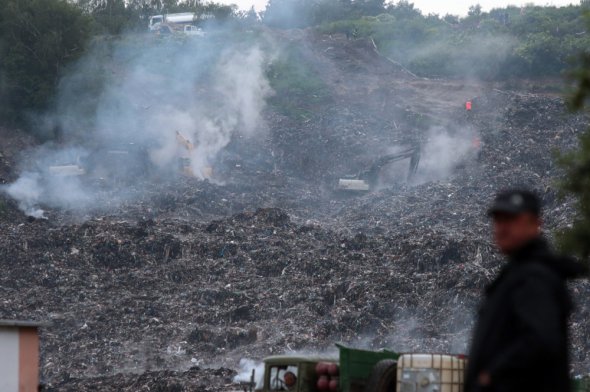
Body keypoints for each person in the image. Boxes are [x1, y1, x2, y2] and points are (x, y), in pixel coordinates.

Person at [465, 189, 587, 392]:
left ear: (536, 224)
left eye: (511, 220)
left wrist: (491, 375)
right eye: (498, 220)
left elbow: (540, 339)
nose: (502, 228)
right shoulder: (518, 274)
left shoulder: (533, 278)